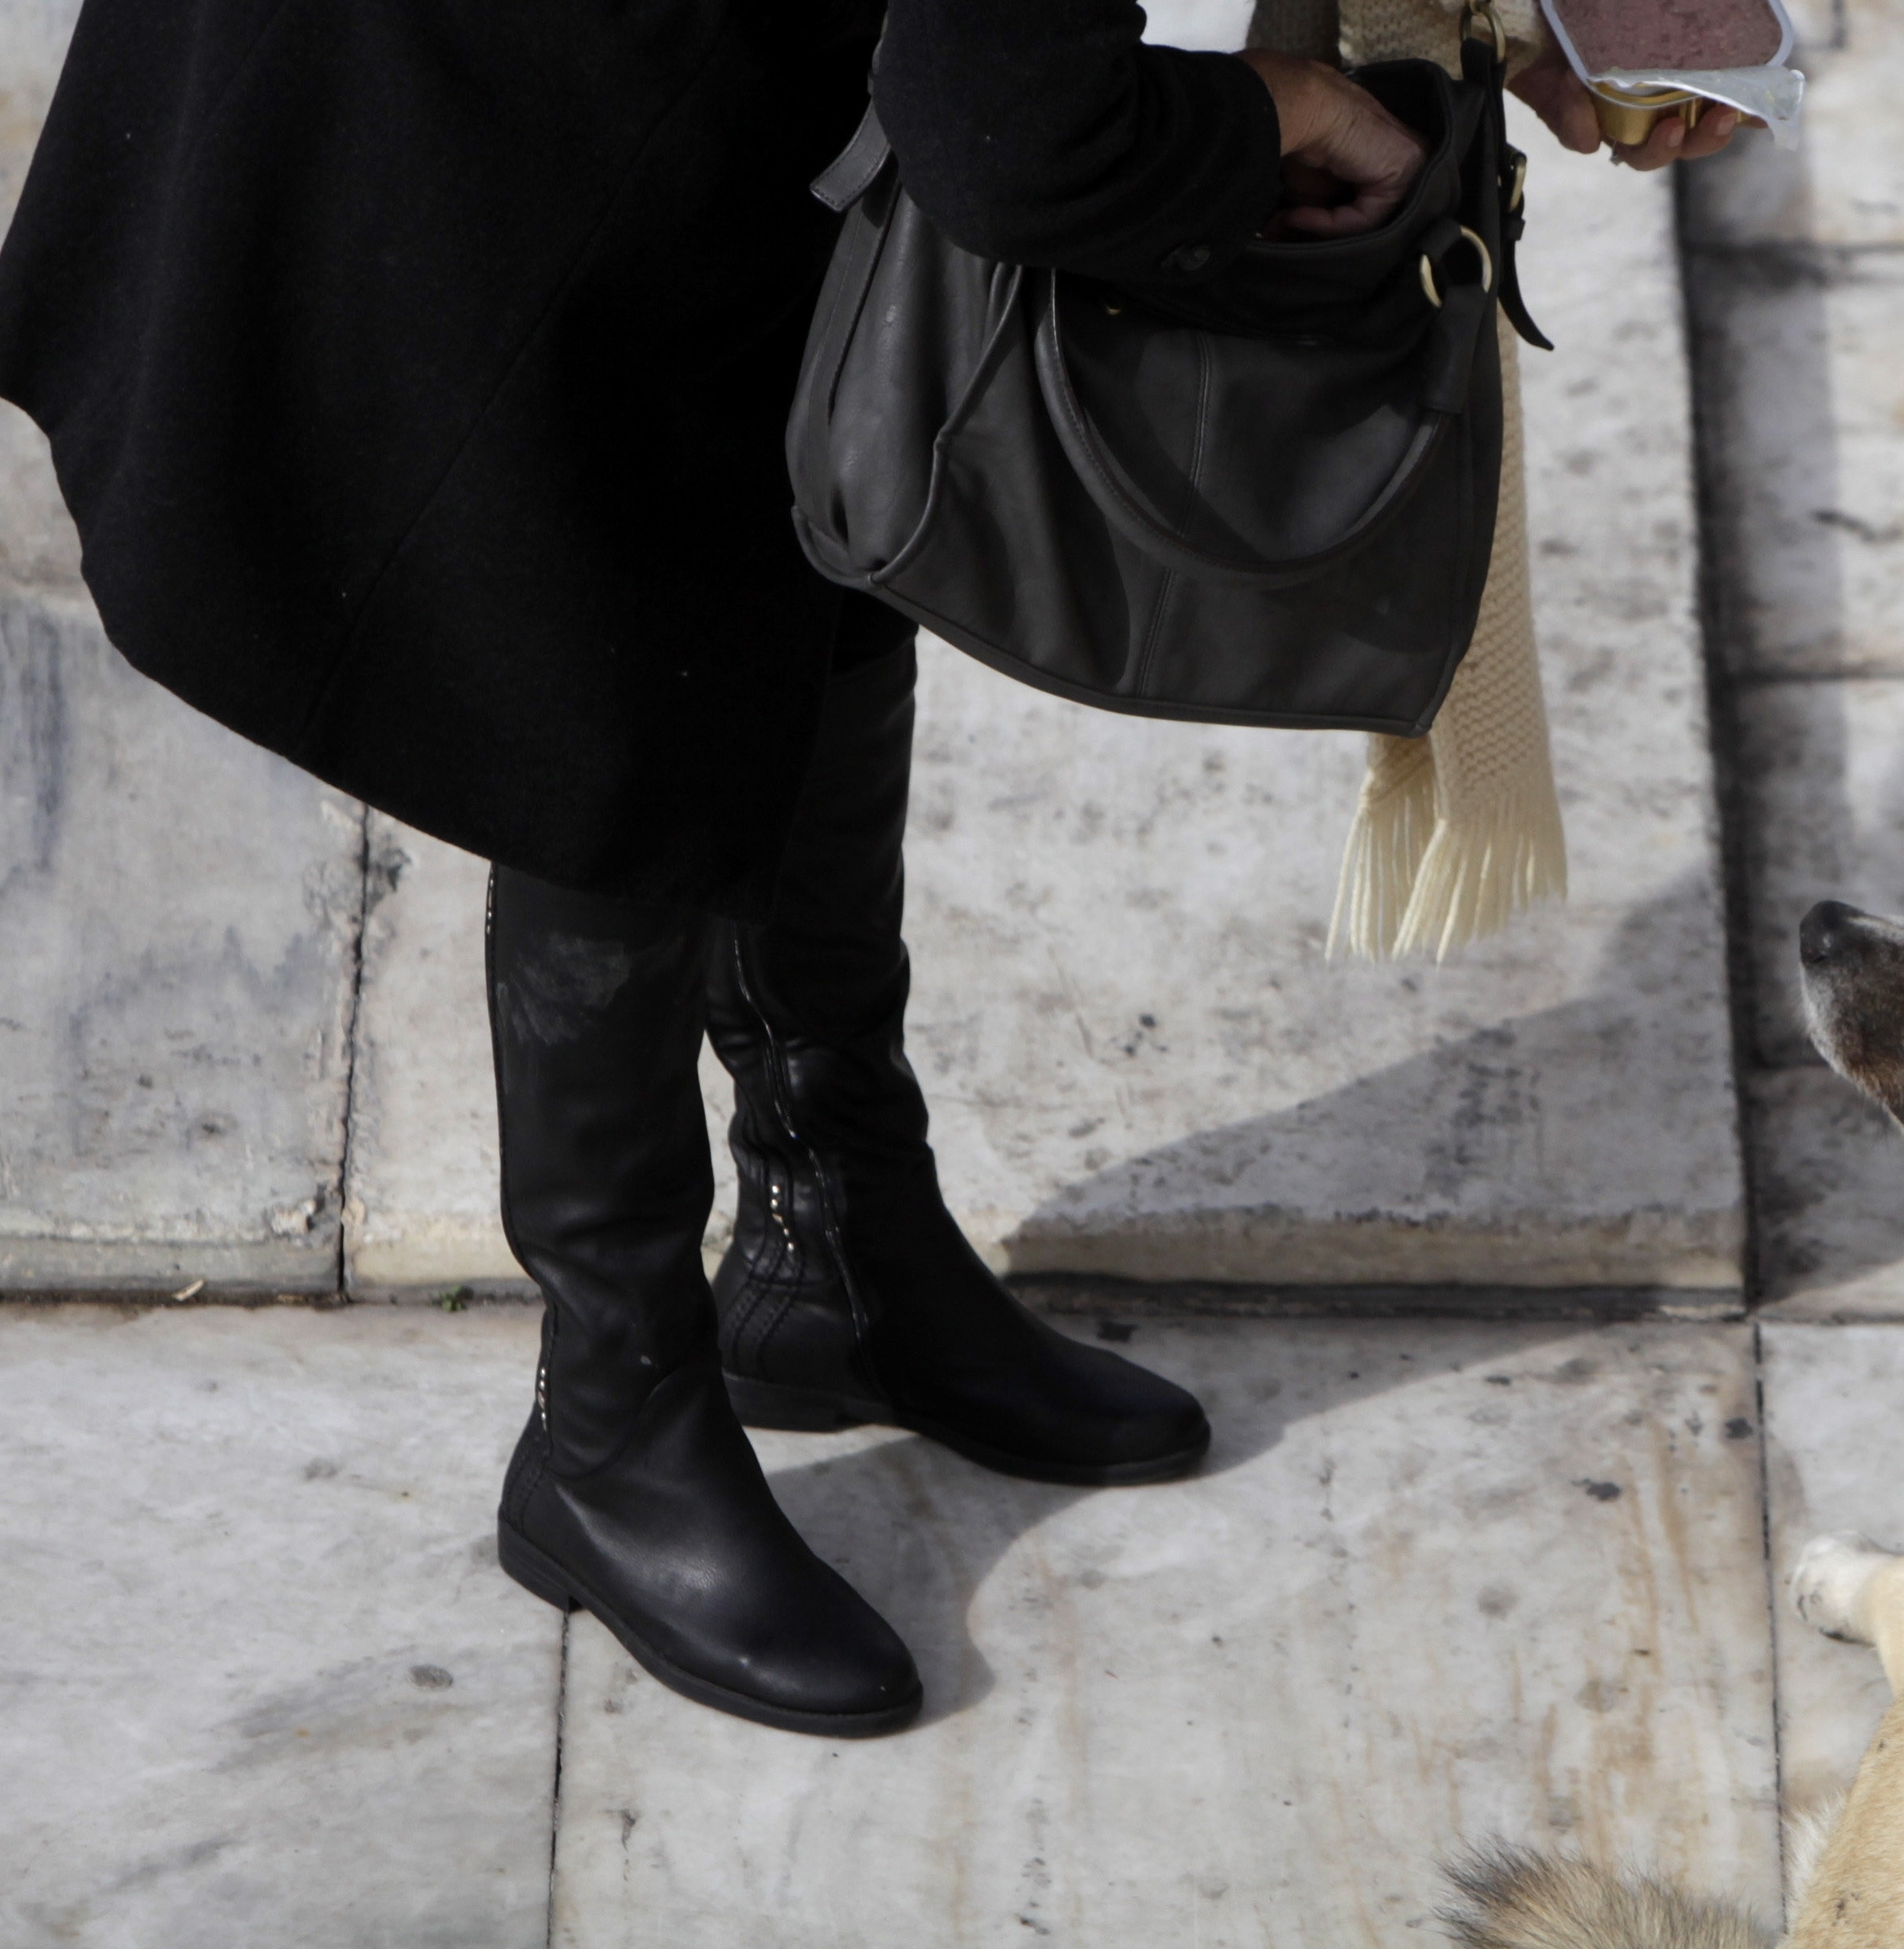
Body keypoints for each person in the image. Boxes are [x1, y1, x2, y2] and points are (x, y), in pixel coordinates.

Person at [0, 1, 1737, 1737]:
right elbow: (1020, 136)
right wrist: (1277, 108)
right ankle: (610, 1423)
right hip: (444, 95)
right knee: (608, 697)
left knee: (801, 532)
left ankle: (837, 1252)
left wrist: (1548, 20)